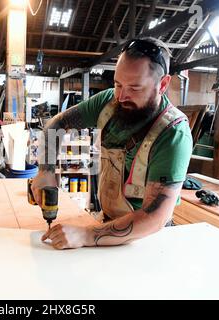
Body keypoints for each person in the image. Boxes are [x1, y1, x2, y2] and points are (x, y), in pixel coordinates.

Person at [31, 37, 193, 250]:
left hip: (147, 241)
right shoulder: (108, 103)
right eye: (118, 84)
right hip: (107, 226)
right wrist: (46, 171)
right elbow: (56, 124)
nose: (122, 96)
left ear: (162, 84)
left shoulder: (173, 134)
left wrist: (86, 235)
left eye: (135, 88)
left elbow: (154, 218)